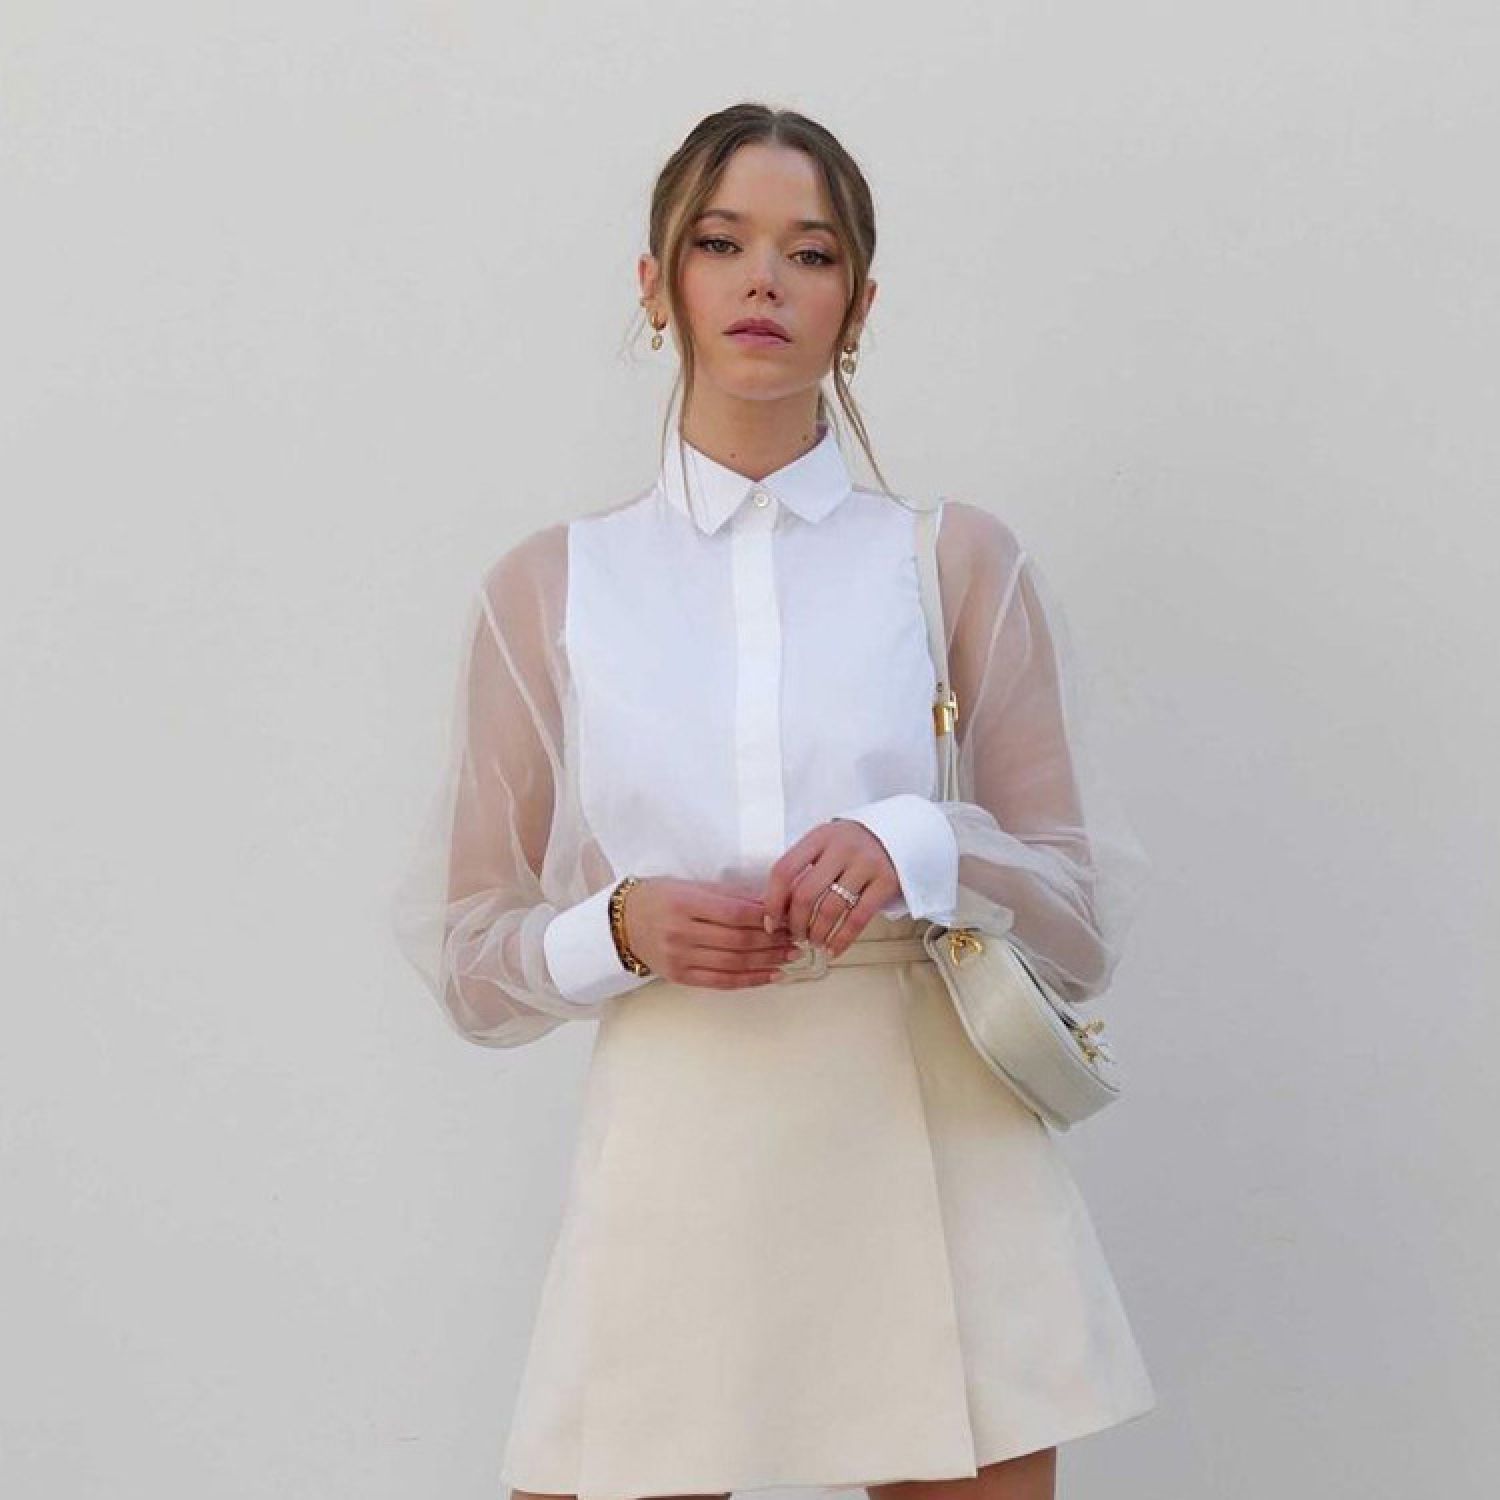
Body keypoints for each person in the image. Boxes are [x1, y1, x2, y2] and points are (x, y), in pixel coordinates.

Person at [392, 102, 1157, 1500]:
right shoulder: (551, 588)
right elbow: (470, 959)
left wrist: (913, 841)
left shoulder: (952, 562)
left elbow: (1079, 916)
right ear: (655, 284)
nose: (763, 281)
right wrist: (619, 927)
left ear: (857, 305)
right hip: (677, 1125)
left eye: (809, 254)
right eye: (720, 243)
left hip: (926, 1122)